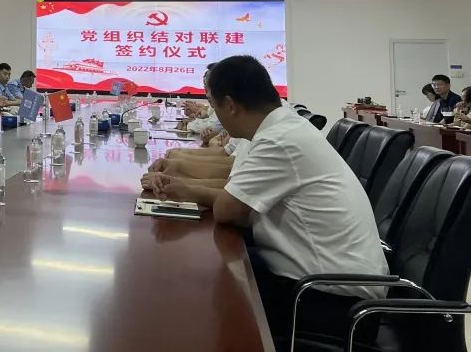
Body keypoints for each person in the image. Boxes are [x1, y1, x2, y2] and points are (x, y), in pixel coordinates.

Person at [150, 55, 387, 343]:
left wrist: (187, 188)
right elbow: (235, 190)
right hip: (327, 286)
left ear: (230, 105)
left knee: (195, 298)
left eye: (214, 105)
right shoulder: (282, 128)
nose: (216, 115)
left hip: (331, 301)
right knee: (210, 276)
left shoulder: (279, 140)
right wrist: (183, 186)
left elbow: (228, 210)